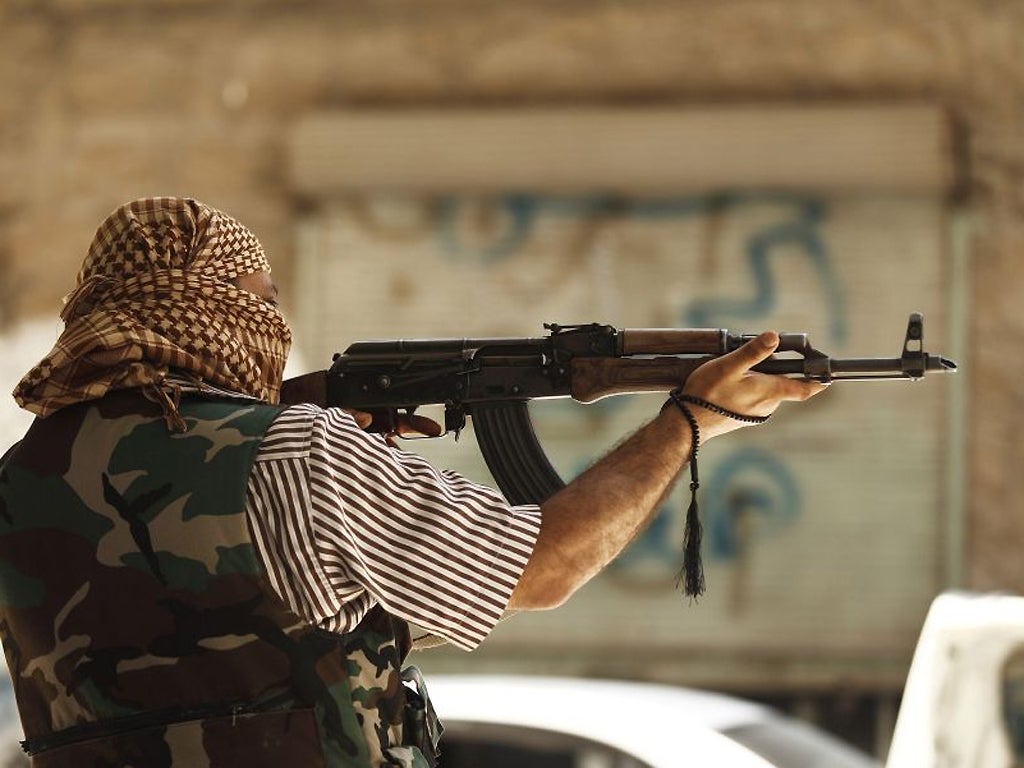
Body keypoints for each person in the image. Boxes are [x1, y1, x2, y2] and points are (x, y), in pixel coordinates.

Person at [0, 197, 825, 767]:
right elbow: (546, 566)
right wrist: (687, 423)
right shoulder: (301, 455)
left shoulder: (19, 478)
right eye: (262, 299)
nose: (275, 324)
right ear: (208, 308)